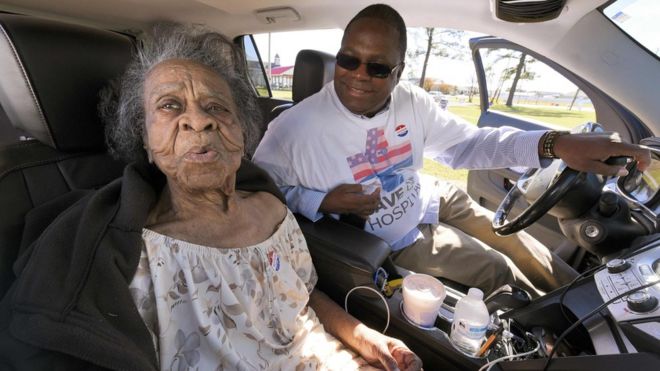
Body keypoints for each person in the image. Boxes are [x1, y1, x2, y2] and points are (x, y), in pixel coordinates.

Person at [0, 24, 422, 371]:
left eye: (217, 108)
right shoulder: (130, 256)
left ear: (242, 132)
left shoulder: (272, 209)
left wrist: (364, 338)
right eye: (169, 106)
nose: (198, 120)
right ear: (145, 140)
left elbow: (305, 294)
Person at [252, 4, 651, 297]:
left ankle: (606, 300)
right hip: (399, 237)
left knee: (525, 247)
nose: (358, 75)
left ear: (398, 71)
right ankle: (570, 341)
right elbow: (256, 197)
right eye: (349, 60)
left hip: (432, 199)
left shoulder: (411, 100)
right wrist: (322, 200)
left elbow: (468, 145)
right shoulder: (292, 130)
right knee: (499, 270)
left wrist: (556, 144)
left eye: (377, 67)